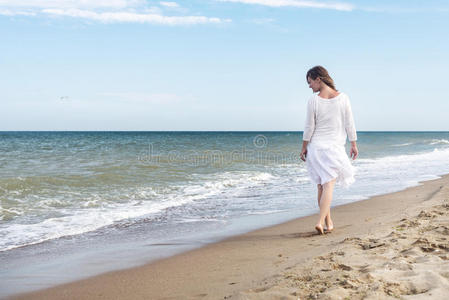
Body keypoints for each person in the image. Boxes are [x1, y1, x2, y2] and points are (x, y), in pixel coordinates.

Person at [300, 66, 359, 235]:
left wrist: (304, 147)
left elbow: (309, 127)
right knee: (328, 185)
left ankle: (329, 223)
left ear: (318, 79)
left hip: (316, 148)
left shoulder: (313, 101)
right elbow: (350, 123)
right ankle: (320, 221)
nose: (310, 86)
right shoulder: (343, 98)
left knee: (321, 186)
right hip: (333, 148)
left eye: (310, 82)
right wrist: (353, 144)